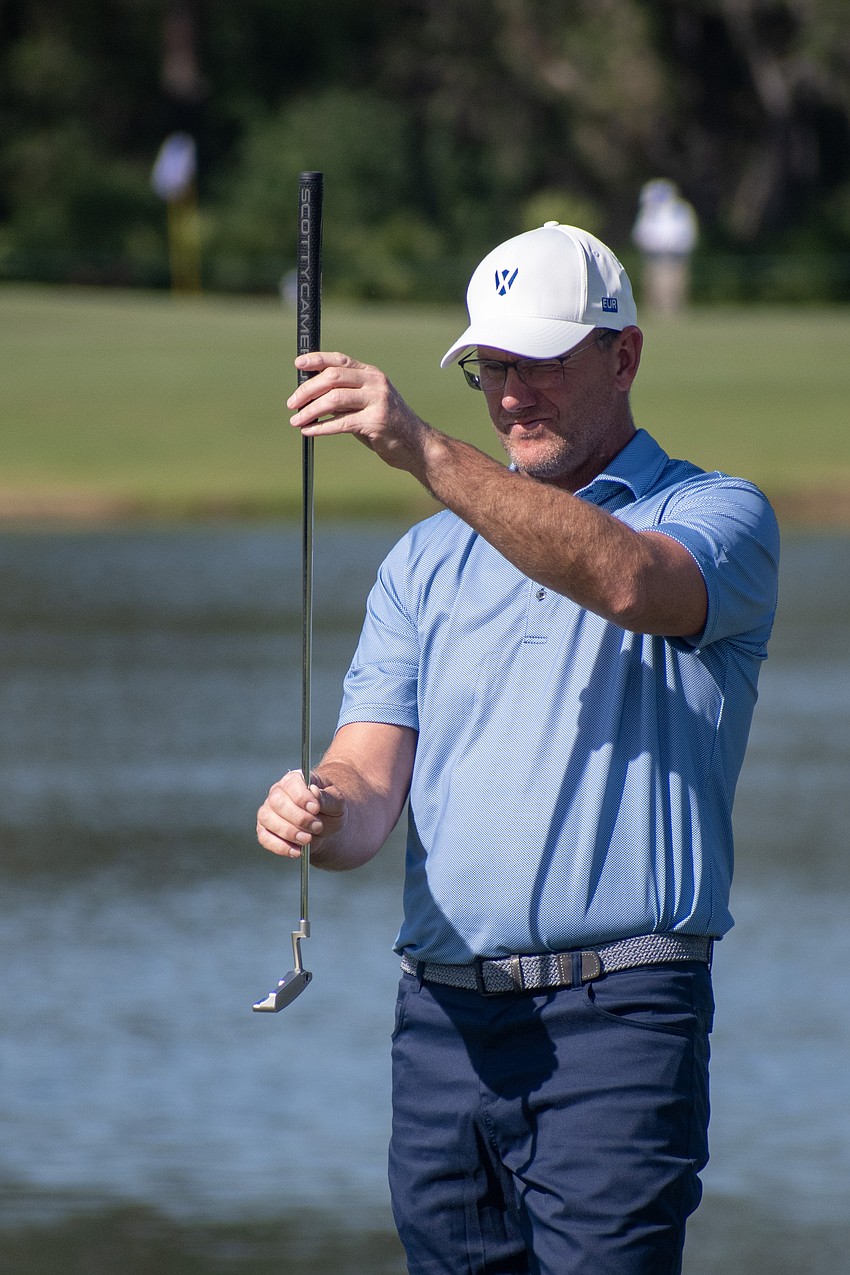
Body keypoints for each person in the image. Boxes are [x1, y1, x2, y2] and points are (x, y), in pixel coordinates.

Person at [256, 221, 779, 1275]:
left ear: (623, 355)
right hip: (442, 1026)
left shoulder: (718, 514)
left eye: (539, 362)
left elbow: (631, 583)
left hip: (620, 1018)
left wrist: (421, 449)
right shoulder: (424, 560)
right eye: (491, 367)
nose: (508, 394)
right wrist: (317, 807)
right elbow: (368, 787)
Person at [632, 179, 699, 316]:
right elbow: (640, 234)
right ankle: (656, 313)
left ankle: (674, 313)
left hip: (676, 255)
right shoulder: (649, 212)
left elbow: (688, 233)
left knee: (676, 285)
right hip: (655, 256)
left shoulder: (680, 210)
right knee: (654, 285)